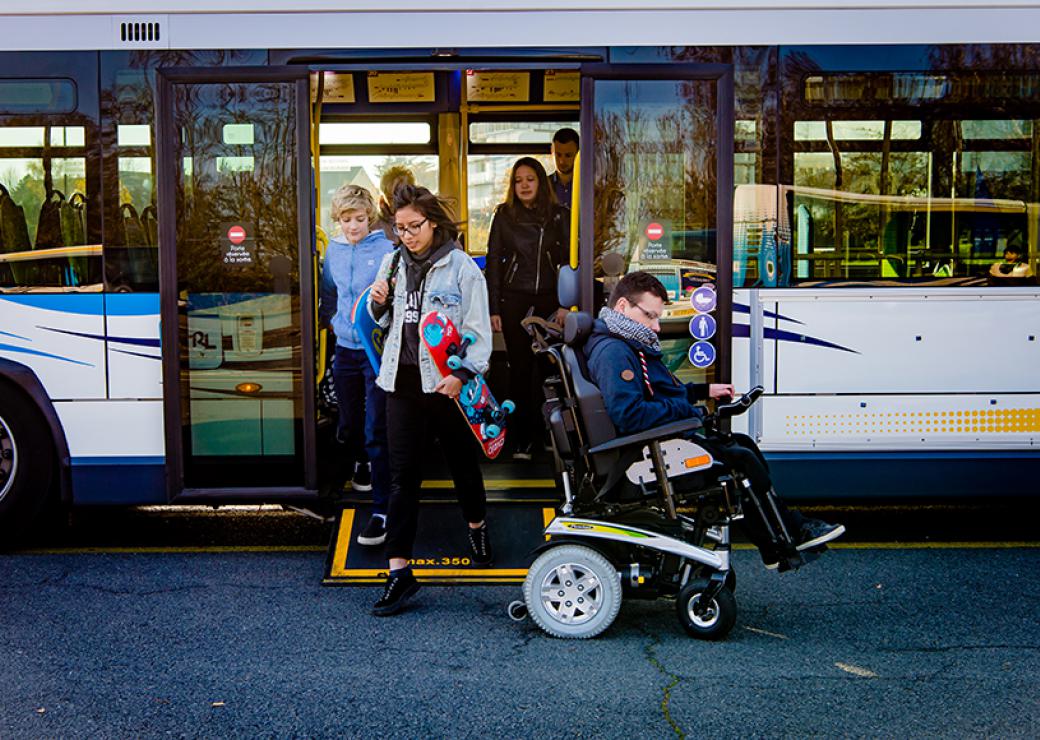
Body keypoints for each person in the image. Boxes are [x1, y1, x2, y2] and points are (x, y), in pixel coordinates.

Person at [585, 271, 845, 571]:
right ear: (622, 308)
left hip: (652, 442)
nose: (656, 327)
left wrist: (700, 392)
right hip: (639, 457)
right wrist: (687, 412)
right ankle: (783, 539)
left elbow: (653, 393)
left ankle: (787, 534)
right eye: (650, 316)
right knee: (740, 458)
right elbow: (630, 415)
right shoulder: (614, 352)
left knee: (744, 445)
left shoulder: (625, 341)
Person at [367, 184, 494, 616]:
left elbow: (477, 331)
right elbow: (379, 318)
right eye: (399, 228)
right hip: (399, 380)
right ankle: (399, 573)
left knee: (461, 460)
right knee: (403, 475)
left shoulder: (462, 268)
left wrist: (461, 374)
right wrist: (376, 303)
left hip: (444, 382)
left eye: (414, 226)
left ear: (433, 222)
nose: (406, 235)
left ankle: (476, 526)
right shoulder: (391, 262)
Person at [318, 185, 394, 546]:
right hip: (344, 349)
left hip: (375, 349)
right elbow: (329, 292)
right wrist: (329, 323)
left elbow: (394, 295)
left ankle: (382, 509)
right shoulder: (332, 250)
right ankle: (356, 466)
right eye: (346, 220)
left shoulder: (385, 250)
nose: (353, 227)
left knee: (375, 428)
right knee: (347, 422)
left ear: (370, 218)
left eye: (360, 219)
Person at [486, 157, 570, 460]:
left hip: (550, 300)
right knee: (519, 371)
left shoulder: (559, 216)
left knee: (552, 369)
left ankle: (552, 435)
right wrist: (494, 307)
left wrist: (565, 303)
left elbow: (569, 263)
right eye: (518, 180)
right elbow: (493, 261)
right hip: (514, 300)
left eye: (530, 179)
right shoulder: (504, 216)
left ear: (540, 183)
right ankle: (522, 438)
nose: (524, 185)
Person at [372, 165, 416, 243]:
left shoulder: (421, 219)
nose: (396, 202)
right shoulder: (374, 225)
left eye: (402, 196)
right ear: (384, 195)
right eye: (391, 198)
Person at [549, 127, 579, 210]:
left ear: (578, 155)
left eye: (568, 155)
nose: (562, 161)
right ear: (552, 153)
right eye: (558, 155)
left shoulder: (587, 186)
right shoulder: (543, 185)